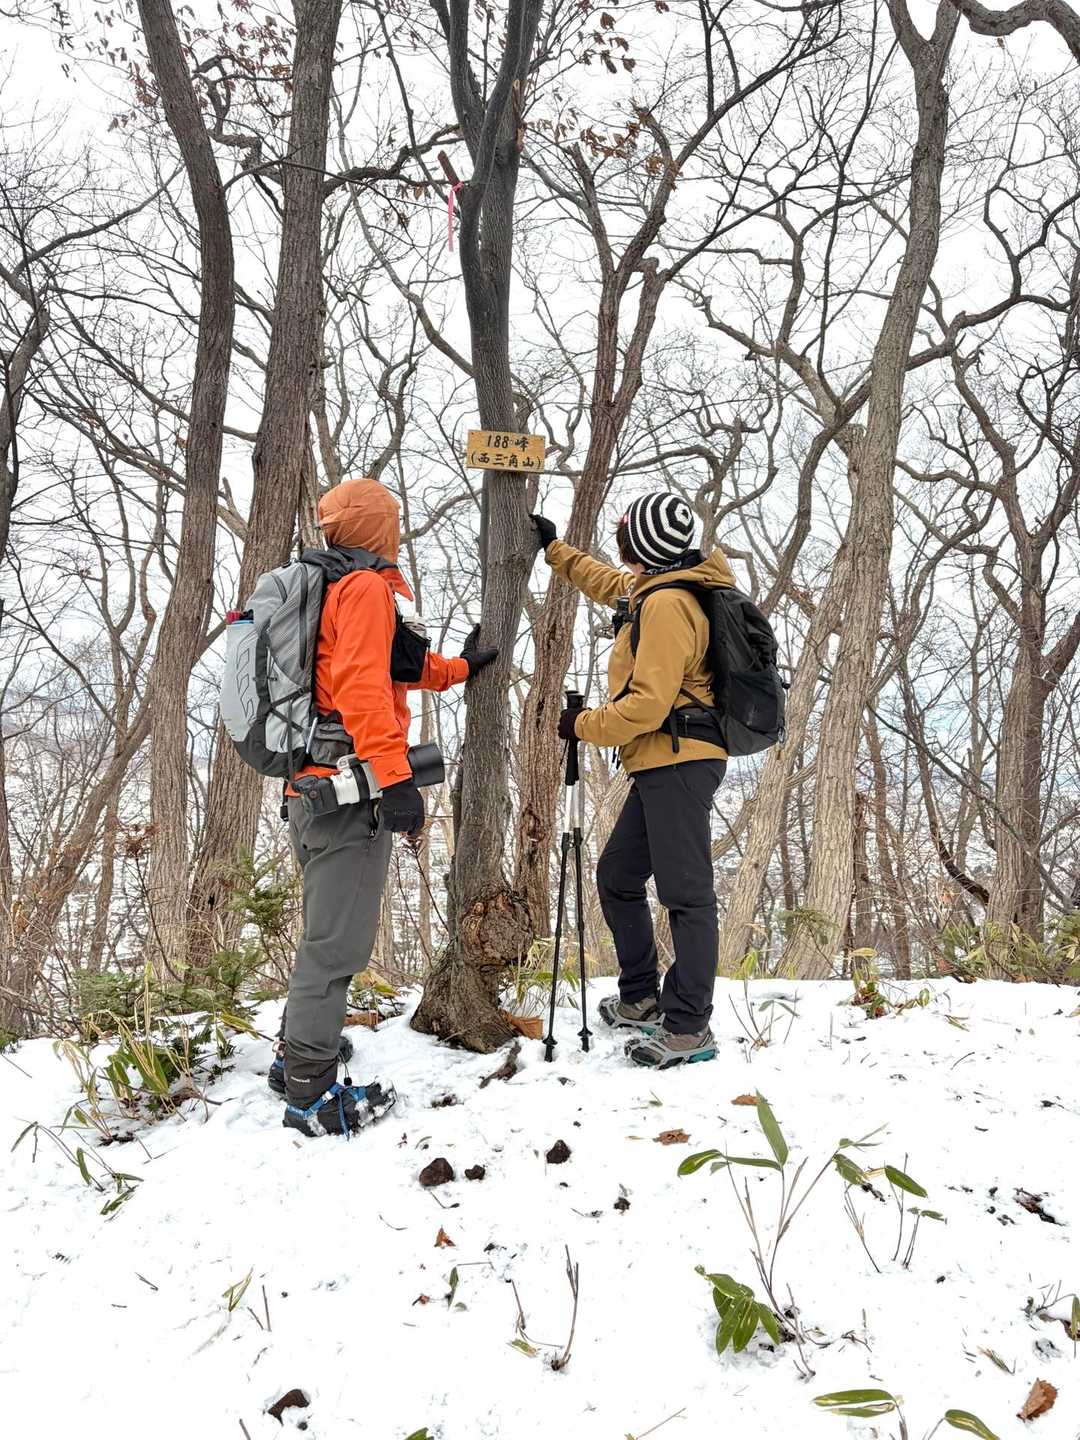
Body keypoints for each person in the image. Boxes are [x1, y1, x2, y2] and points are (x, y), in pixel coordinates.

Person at [271, 477, 498, 1135]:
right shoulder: (366, 588)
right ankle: (309, 1094)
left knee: (325, 934)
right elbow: (362, 685)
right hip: (346, 794)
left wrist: (460, 668)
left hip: (309, 788)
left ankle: (295, 1055)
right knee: (337, 946)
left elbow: (395, 665)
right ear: (380, 528)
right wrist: (397, 781)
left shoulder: (330, 585)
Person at [531, 493, 735, 1068]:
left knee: (686, 895)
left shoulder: (668, 604)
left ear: (640, 546)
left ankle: (689, 1026)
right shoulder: (655, 586)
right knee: (618, 876)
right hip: (659, 760)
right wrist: (554, 550)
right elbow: (608, 583)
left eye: (625, 537)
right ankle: (642, 998)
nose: (620, 548)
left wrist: (582, 725)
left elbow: (648, 705)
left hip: (680, 758)